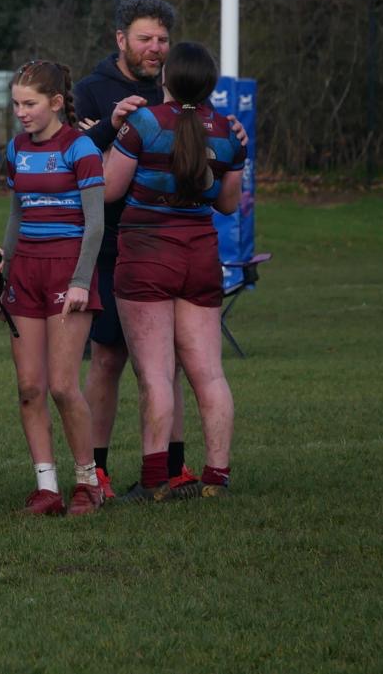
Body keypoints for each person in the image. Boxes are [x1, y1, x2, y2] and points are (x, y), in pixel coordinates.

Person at [102, 41, 243, 502]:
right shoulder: (227, 131)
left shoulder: (144, 123)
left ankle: (153, 480)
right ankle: (216, 477)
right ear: (210, 84)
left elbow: (107, 190)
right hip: (201, 255)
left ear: (167, 79)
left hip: (147, 254)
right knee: (210, 374)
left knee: (156, 375)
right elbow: (226, 203)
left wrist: (111, 134)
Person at [71, 0, 194, 497]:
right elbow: (78, 158)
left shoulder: (178, 88)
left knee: (169, 363)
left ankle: (172, 467)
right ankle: (96, 469)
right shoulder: (93, 90)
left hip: (165, 239)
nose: (155, 48)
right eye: (145, 38)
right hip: (110, 242)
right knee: (107, 357)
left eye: (163, 40)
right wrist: (109, 126)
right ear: (120, 39)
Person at [0, 61, 106, 517]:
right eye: (16, 104)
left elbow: (95, 223)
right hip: (25, 272)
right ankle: (47, 488)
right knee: (29, 386)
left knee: (63, 386)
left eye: (30, 104)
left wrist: (81, 280)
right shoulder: (16, 148)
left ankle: (88, 482)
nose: (21, 113)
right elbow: (17, 214)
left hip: (68, 272)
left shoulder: (80, 148)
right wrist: (3, 269)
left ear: (56, 103)